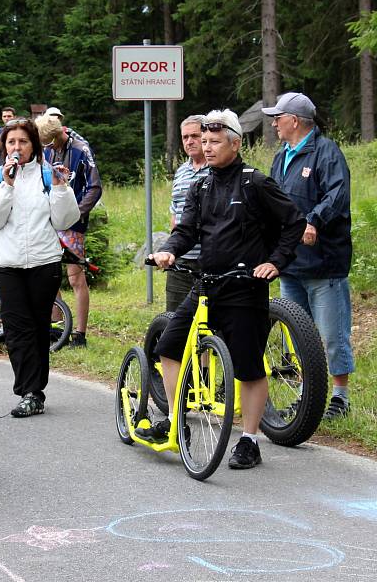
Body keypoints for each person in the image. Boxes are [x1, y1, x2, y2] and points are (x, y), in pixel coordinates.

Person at [138, 109, 305, 469]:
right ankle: (176, 419)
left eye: (215, 142)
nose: (207, 148)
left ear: (235, 143)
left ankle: (249, 440)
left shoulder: (255, 183)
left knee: (248, 367)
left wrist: (276, 262)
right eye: (205, 141)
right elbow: (187, 230)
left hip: (245, 288)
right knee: (169, 347)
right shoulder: (201, 185)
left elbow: (294, 222)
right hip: (206, 284)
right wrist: (170, 249)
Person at [0, 117, 80, 417]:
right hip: (5, 264)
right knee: (17, 329)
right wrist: (7, 186)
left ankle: (36, 390)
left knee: (38, 328)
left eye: (23, 141)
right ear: (4, 146)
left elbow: (64, 221)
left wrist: (61, 188)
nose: (17, 147)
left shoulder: (49, 176)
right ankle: (29, 391)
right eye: (12, 142)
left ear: (34, 145)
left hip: (43, 263)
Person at [262, 92, 355, 420]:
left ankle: (340, 399)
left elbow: (338, 192)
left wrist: (314, 219)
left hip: (323, 263)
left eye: (278, 117)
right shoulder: (281, 157)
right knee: (299, 335)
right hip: (290, 263)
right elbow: (271, 199)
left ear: (295, 121)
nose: (274, 123)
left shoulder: (326, 152)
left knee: (332, 334)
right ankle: (306, 395)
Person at [36, 114, 102, 348]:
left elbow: (95, 188)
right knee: (48, 272)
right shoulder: (47, 149)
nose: (48, 148)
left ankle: (80, 334)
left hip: (73, 222)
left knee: (75, 277)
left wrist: (77, 212)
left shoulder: (81, 149)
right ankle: (57, 328)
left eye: (50, 143)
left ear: (58, 134)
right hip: (50, 217)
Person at [166, 115, 210, 312]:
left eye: (195, 135)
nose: (190, 141)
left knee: (210, 320)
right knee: (174, 317)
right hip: (182, 258)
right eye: (185, 137)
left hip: (209, 257)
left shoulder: (216, 169)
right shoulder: (181, 171)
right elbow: (174, 210)